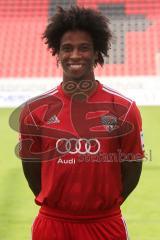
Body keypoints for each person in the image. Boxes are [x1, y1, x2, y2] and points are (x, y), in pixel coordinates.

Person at [19, 6, 145, 240]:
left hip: (104, 224)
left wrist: (101, 206)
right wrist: (59, 205)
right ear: (56, 52)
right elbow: (32, 172)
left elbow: (132, 169)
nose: (75, 55)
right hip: (52, 224)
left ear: (97, 52)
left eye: (84, 48)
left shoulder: (123, 108)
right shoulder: (34, 111)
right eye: (67, 48)